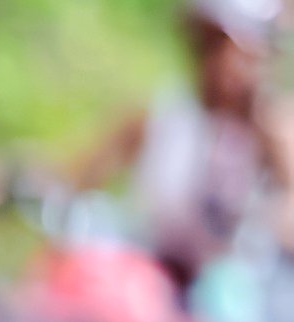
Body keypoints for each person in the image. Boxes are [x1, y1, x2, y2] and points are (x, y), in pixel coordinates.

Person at [76, 0, 294, 287]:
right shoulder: (159, 118)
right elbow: (74, 178)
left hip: (240, 302)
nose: (227, 64)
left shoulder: (271, 131)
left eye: (243, 53)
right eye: (213, 45)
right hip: (149, 284)